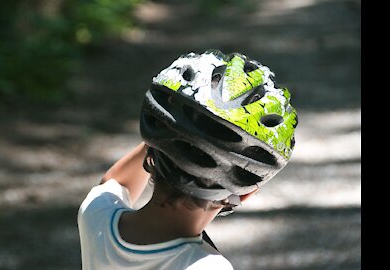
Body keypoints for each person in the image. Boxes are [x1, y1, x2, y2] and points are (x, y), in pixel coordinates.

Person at [77, 50, 298, 269]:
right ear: (247, 192)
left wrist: (173, 132)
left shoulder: (96, 218)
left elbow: (117, 182)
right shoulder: (207, 266)